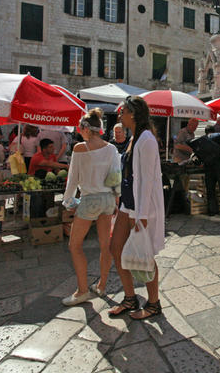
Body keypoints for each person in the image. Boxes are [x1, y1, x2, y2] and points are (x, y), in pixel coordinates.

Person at [109, 96, 165, 320]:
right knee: (116, 248)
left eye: (122, 111)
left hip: (140, 207)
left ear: (132, 114)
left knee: (145, 252)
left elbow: (148, 179)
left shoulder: (146, 139)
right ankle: (130, 297)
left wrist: (141, 215)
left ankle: (153, 303)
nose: (119, 115)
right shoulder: (135, 138)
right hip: (127, 203)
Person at [61, 108, 120, 306]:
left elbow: (73, 178)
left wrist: (68, 200)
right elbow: (116, 177)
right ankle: (102, 285)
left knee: (75, 245)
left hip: (90, 199)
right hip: (108, 199)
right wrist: (117, 199)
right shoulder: (112, 148)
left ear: (86, 128)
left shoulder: (80, 148)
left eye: (80, 128)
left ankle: (82, 290)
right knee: (105, 245)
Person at [189, 126, 220, 216]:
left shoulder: (203, 140)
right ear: (213, 131)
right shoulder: (219, 135)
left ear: (206, 132)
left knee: (210, 190)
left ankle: (212, 210)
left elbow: (197, 154)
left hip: (209, 167)